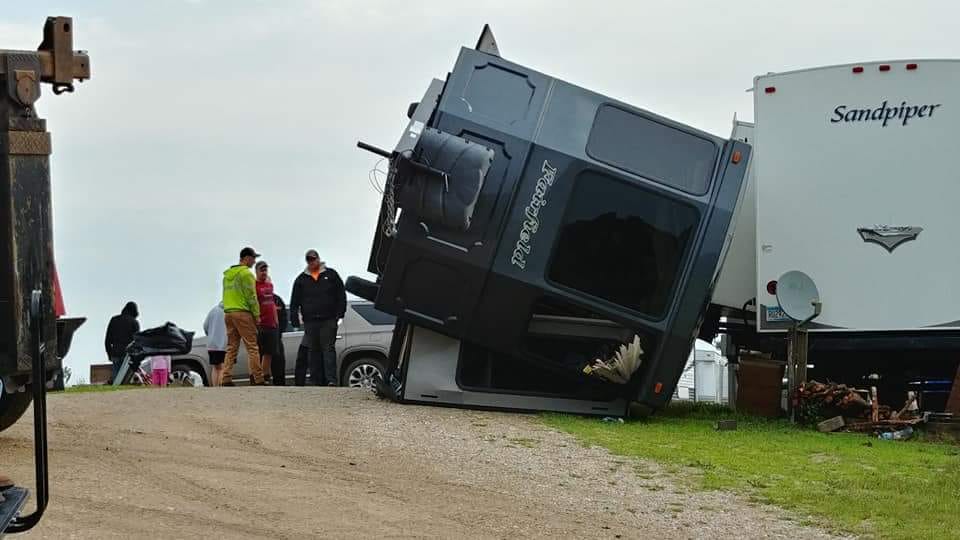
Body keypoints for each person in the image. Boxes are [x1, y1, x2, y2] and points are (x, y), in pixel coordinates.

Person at [290, 250, 346, 386]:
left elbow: (341, 294)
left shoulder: (331, 274)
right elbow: (294, 301)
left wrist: (340, 314)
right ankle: (316, 381)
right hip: (310, 321)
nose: (312, 262)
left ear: (318, 259)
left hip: (328, 319)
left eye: (313, 259)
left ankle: (331, 380)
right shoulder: (301, 279)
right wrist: (295, 320)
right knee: (313, 351)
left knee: (328, 349)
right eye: (309, 260)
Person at [221, 247, 263, 386]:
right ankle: (258, 378)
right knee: (252, 346)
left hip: (228, 313)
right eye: (253, 258)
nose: (254, 261)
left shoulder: (227, 276)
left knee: (231, 347)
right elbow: (251, 296)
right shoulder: (246, 274)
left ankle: (226, 378)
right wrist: (256, 315)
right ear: (246, 258)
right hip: (242, 313)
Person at [255, 261, 279, 384]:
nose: (264, 272)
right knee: (259, 352)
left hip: (271, 323)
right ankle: (256, 376)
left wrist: (276, 320)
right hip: (260, 323)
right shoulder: (254, 286)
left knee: (269, 352)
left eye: (265, 270)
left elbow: (272, 303)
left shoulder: (270, 285)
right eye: (261, 270)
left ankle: (266, 376)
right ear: (256, 271)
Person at [104, 301, 140, 384]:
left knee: (116, 381)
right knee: (127, 381)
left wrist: (109, 354)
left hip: (115, 353)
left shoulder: (114, 320)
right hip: (128, 355)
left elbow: (107, 340)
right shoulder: (134, 322)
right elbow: (137, 342)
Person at [203, 302, 227, 386]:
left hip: (212, 344)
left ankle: (215, 388)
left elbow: (205, 326)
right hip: (225, 344)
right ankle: (221, 388)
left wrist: (210, 335)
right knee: (223, 368)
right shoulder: (228, 311)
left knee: (216, 368)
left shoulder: (213, 310)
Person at [272, 293, 289, 386]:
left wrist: (279, 332)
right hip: (262, 337)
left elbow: (284, 318)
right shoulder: (255, 299)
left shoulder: (277, 300)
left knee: (279, 364)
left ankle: (280, 384)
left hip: (276, 337)